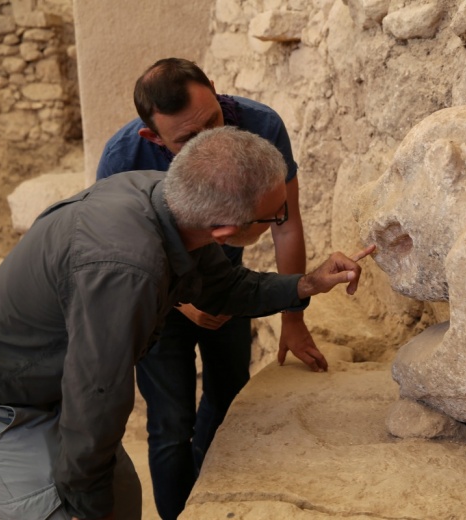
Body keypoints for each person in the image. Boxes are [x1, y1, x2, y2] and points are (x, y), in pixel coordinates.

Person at [0, 126, 374, 520]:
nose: (280, 221)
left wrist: (307, 283)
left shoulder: (171, 202)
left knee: (122, 494)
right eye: (274, 217)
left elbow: (226, 288)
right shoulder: (127, 269)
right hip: (7, 399)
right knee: (62, 508)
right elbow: (96, 398)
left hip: (57, 384)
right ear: (224, 231)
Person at [96, 58, 322, 518]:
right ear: (153, 139)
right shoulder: (122, 158)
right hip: (160, 301)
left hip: (228, 285)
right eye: (187, 140)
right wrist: (182, 302)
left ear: (217, 93)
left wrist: (293, 322)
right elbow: (122, 256)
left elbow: (285, 224)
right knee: (170, 422)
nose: (211, 144)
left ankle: (209, 500)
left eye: (215, 121)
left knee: (229, 396)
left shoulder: (261, 126)